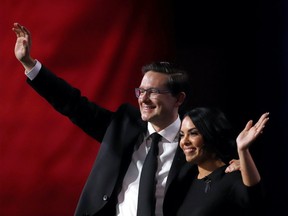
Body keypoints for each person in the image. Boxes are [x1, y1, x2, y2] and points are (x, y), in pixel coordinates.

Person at [12, 23, 240, 216]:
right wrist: (30, 65)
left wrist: (237, 166)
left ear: (178, 99)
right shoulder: (123, 125)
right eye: (140, 91)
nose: (144, 99)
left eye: (153, 92)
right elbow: (73, 104)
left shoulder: (194, 143)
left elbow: (224, 177)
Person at [172, 107, 269, 216]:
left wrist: (243, 150)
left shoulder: (232, 178)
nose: (184, 141)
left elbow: (255, 199)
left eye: (193, 133)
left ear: (211, 135)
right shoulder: (186, 178)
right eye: (181, 135)